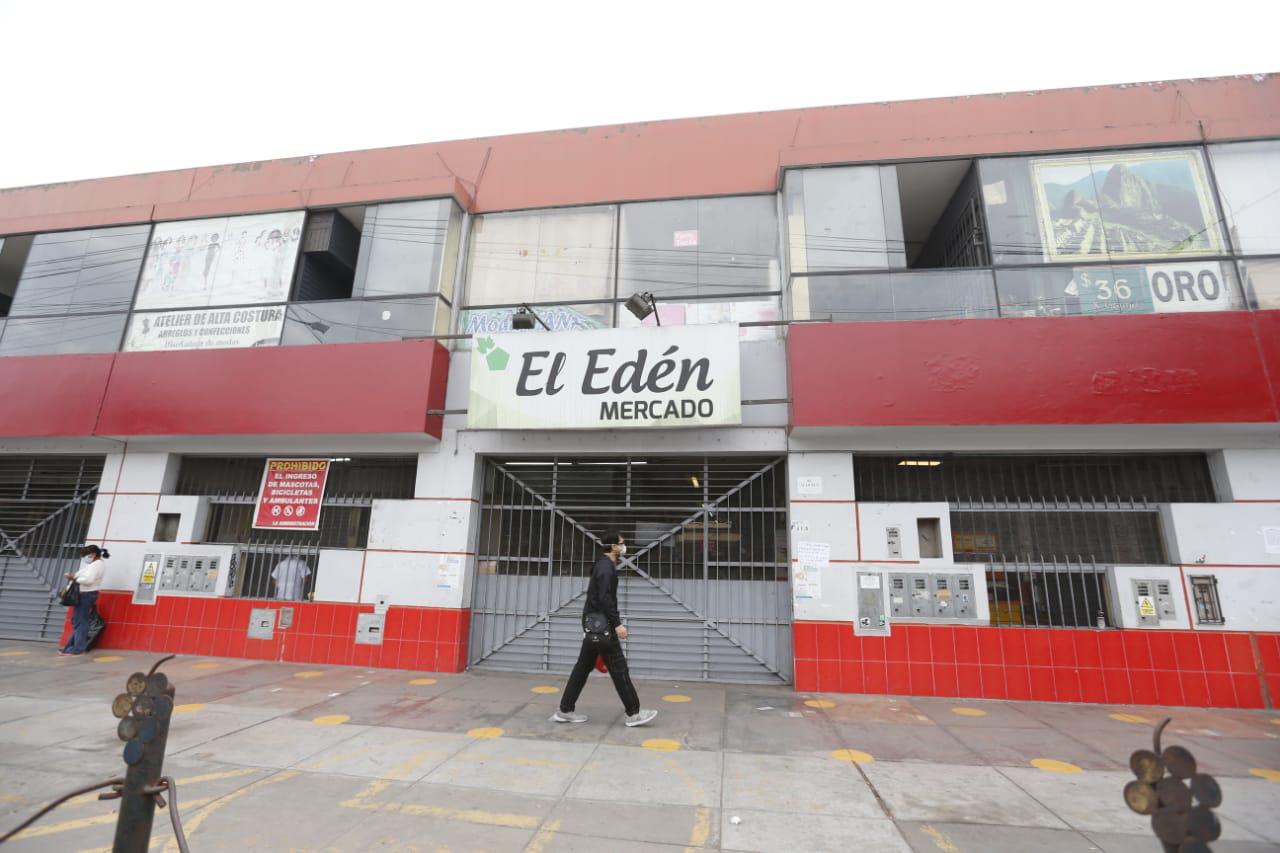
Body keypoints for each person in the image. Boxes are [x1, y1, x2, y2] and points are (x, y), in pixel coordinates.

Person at [552, 532, 657, 727]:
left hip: (593, 624)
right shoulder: (606, 568)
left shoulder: (602, 565)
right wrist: (617, 624)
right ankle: (634, 713)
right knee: (619, 668)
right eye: (622, 544)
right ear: (613, 547)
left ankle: (565, 710)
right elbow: (605, 598)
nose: (624, 546)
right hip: (603, 627)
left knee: (582, 668)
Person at [60, 546, 109, 656]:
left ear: (93, 555)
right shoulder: (96, 565)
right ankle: (70, 648)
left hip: (86, 594)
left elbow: (88, 580)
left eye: (85, 555)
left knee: (80, 622)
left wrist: (73, 578)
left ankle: (77, 649)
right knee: (79, 621)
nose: (84, 558)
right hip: (87, 594)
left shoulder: (96, 565)